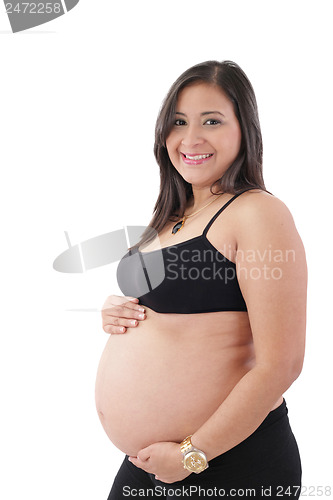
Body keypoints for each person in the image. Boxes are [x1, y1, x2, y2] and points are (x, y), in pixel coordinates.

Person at [95, 60, 307, 499]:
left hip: (226, 462)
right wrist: (120, 312)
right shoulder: (173, 215)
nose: (191, 138)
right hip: (150, 466)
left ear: (243, 130)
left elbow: (281, 364)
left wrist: (195, 454)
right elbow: (178, 311)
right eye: (178, 122)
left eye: (212, 121)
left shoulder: (256, 212)